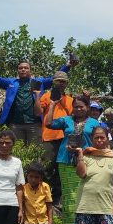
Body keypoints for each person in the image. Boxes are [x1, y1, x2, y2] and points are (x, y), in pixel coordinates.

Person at [0, 57, 70, 144]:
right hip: (15, 124)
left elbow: (56, 77)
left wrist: (67, 66)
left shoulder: (39, 82)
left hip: (34, 124)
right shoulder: (11, 83)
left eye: (26, 68)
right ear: (17, 70)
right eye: (20, 68)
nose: (23, 69)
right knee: (16, 150)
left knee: (35, 150)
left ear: (30, 70)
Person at [45, 96, 100, 224]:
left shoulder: (94, 123)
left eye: (82, 106)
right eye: (76, 106)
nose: (79, 109)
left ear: (87, 107)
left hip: (87, 160)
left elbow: (99, 141)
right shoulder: (66, 120)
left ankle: (84, 223)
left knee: (85, 191)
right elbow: (49, 124)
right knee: (69, 193)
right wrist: (52, 105)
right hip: (66, 160)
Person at [38, 70, 73, 208]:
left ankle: (57, 198)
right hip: (48, 137)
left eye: (63, 81)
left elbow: (72, 116)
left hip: (65, 138)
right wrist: (50, 100)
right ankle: (43, 195)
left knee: (61, 168)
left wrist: (62, 101)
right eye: (58, 81)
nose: (60, 84)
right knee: (47, 167)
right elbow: (38, 112)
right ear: (53, 82)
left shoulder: (70, 100)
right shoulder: (46, 96)